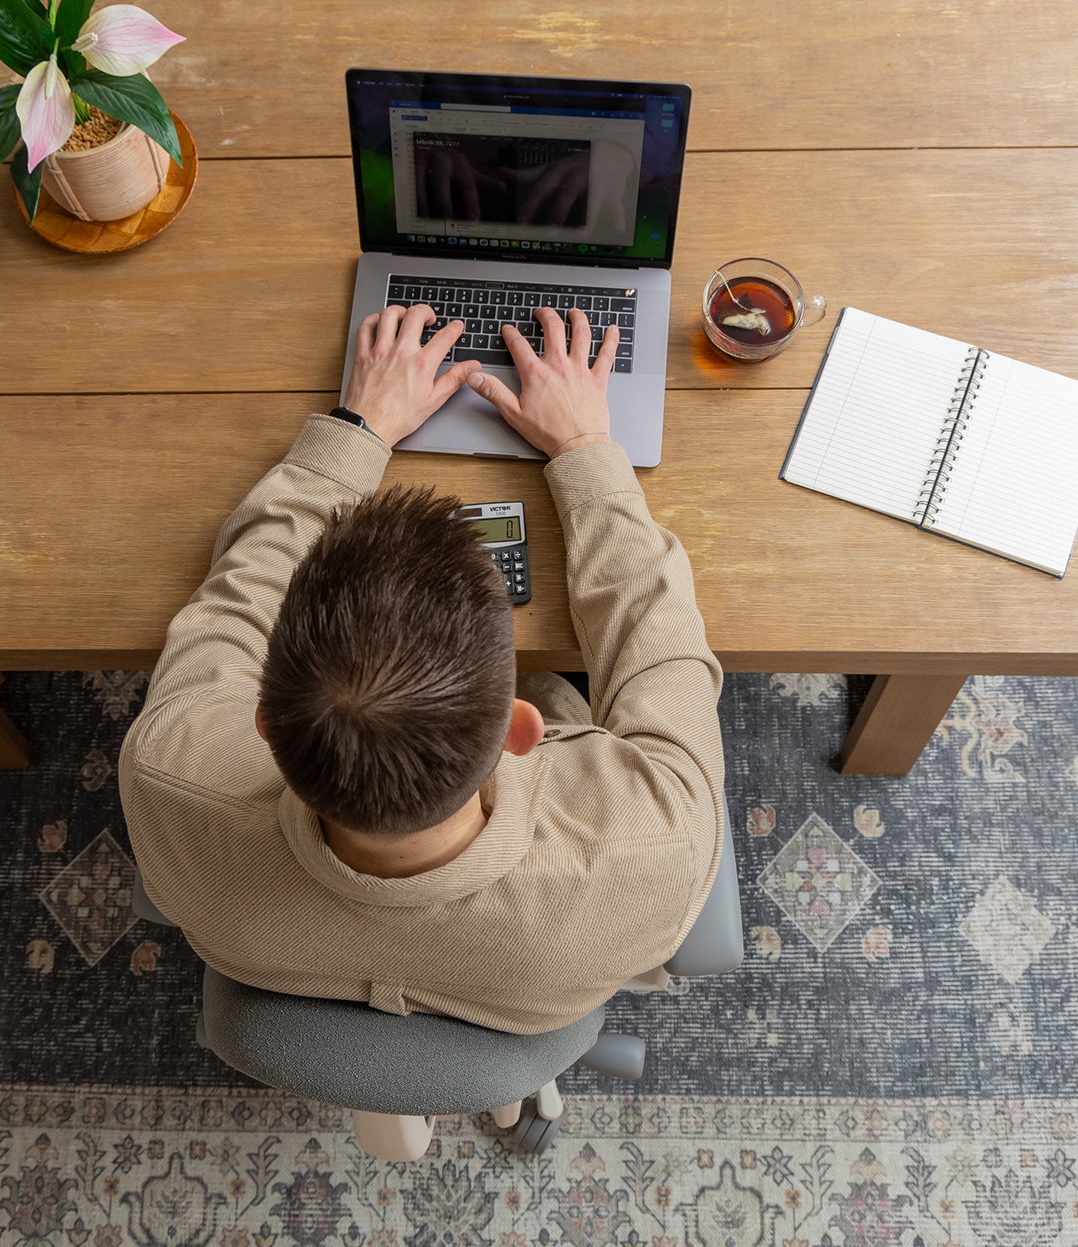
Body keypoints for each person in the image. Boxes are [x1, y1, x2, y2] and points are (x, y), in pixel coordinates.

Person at [120, 301, 724, 1035]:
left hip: (277, 959)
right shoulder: (655, 842)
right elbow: (658, 637)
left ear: (264, 725)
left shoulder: (170, 771)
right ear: (519, 729)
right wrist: (585, 447)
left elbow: (239, 596)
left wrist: (358, 429)